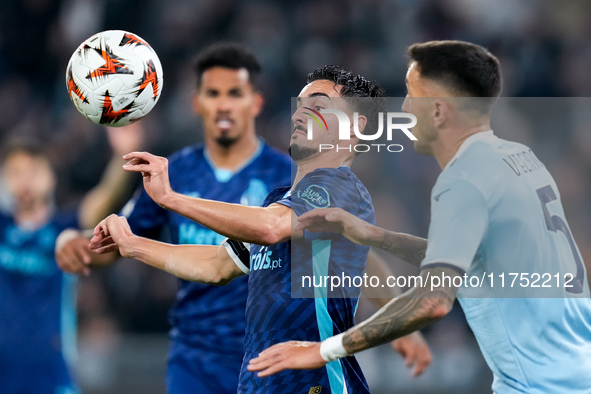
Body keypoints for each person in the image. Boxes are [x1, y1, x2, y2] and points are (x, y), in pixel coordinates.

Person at [246, 40, 591, 393]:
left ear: (439, 111)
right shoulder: (519, 158)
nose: (406, 108)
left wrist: (324, 350)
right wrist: (375, 237)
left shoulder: (463, 181)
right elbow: (476, 260)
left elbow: (432, 302)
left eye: (413, 95)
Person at [88, 65, 431, 393]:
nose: (298, 114)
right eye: (300, 105)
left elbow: (271, 228)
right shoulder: (280, 200)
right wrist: (134, 245)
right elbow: (217, 266)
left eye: (318, 105)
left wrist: (171, 199)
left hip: (315, 383)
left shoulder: (340, 189)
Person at [57, 42, 294, 394]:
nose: (224, 104)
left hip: (271, 355)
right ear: (196, 103)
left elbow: (334, 252)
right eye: (213, 93)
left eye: (235, 93)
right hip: (195, 358)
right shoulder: (174, 171)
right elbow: (116, 244)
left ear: (255, 102)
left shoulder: (286, 175)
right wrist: (74, 243)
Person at [0, 128, 139, 394]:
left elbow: (103, 198)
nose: (25, 180)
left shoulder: (64, 229)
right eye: (15, 173)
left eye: (33, 170)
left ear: (51, 178)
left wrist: (123, 158)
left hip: (51, 369)